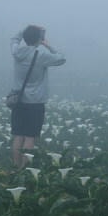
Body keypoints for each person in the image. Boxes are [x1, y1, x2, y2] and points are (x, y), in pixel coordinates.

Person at [10, 25, 66, 168]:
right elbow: (61, 59)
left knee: (18, 136)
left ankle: (16, 168)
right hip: (35, 103)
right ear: (39, 39)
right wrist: (48, 46)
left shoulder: (16, 52)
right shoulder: (41, 55)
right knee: (29, 137)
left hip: (18, 101)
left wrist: (25, 30)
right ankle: (24, 169)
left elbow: (14, 39)